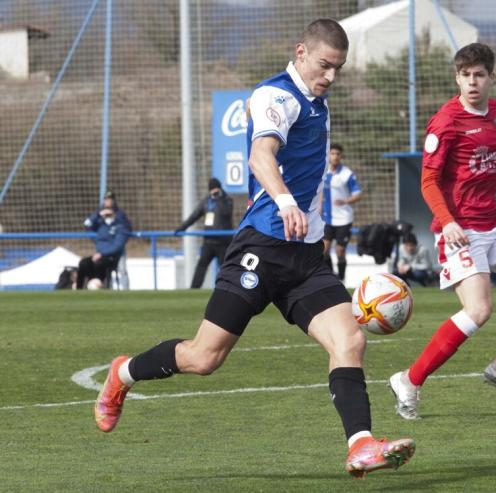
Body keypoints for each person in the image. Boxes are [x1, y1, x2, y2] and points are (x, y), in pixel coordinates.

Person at [93, 19, 414, 478]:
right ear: (301, 52)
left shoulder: (319, 104)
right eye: (325, 65)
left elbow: (311, 178)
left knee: (351, 340)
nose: (331, 76)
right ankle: (122, 373)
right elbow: (261, 154)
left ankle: (360, 445)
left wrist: (315, 228)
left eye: (338, 69)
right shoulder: (275, 97)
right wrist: (285, 201)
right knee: (205, 358)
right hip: (260, 250)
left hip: (305, 259)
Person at [387, 43, 496, 420]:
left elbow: (493, 164)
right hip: (459, 230)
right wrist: (447, 222)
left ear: (491, 78)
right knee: (479, 311)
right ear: (457, 78)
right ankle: (410, 381)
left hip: (492, 226)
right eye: (465, 75)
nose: (472, 82)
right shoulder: (445, 122)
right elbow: (429, 182)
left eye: (479, 75)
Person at [175, 177, 234, 288]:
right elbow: (194, 216)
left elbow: (226, 212)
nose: (214, 192)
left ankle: (226, 288)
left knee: (225, 268)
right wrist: (182, 227)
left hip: (223, 242)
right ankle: (194, 289)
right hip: (209, 241)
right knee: (201, 266)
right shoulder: (206, 201)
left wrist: (219, 198)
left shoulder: (227, 200)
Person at [320, 143, 362, 280]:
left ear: (341, 156)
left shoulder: (347, 174)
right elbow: (319, 191)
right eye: (332, 154)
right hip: (327, 219)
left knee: (340, 250)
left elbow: (358, 194)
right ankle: (332, 277)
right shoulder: (323, 171)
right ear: (328, 155)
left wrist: (345, 201)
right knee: (324, 250)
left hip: (344, 218)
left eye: (337, 154)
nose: (335, 157)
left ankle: (342, 278)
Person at [77, 190, 131, 289]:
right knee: (84, 263)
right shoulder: (100, 219)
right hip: (101, 253)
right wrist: (98, 214)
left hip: (114, 254)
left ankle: (122, 290)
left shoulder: (120, 217)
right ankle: (79, 289)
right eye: (106, 199)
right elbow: (87, 224)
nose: (108, 202)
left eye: (110, 199)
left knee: (121, 269)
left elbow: (121, 239)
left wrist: (103, 253)